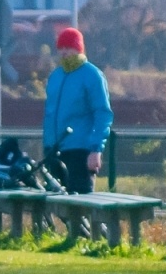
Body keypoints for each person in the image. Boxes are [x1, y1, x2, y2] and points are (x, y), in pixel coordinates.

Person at [42, 27, 114, 195]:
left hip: (80, 151)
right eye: (61, 47)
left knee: (80, 207)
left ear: (79, 48)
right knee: (55, 206)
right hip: (54, 150)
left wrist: (96, 149)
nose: (64, 52)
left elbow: (102, 114)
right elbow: (49, 114)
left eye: (68, 47)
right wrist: (47, 146)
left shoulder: (92, 75)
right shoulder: (55, 77)